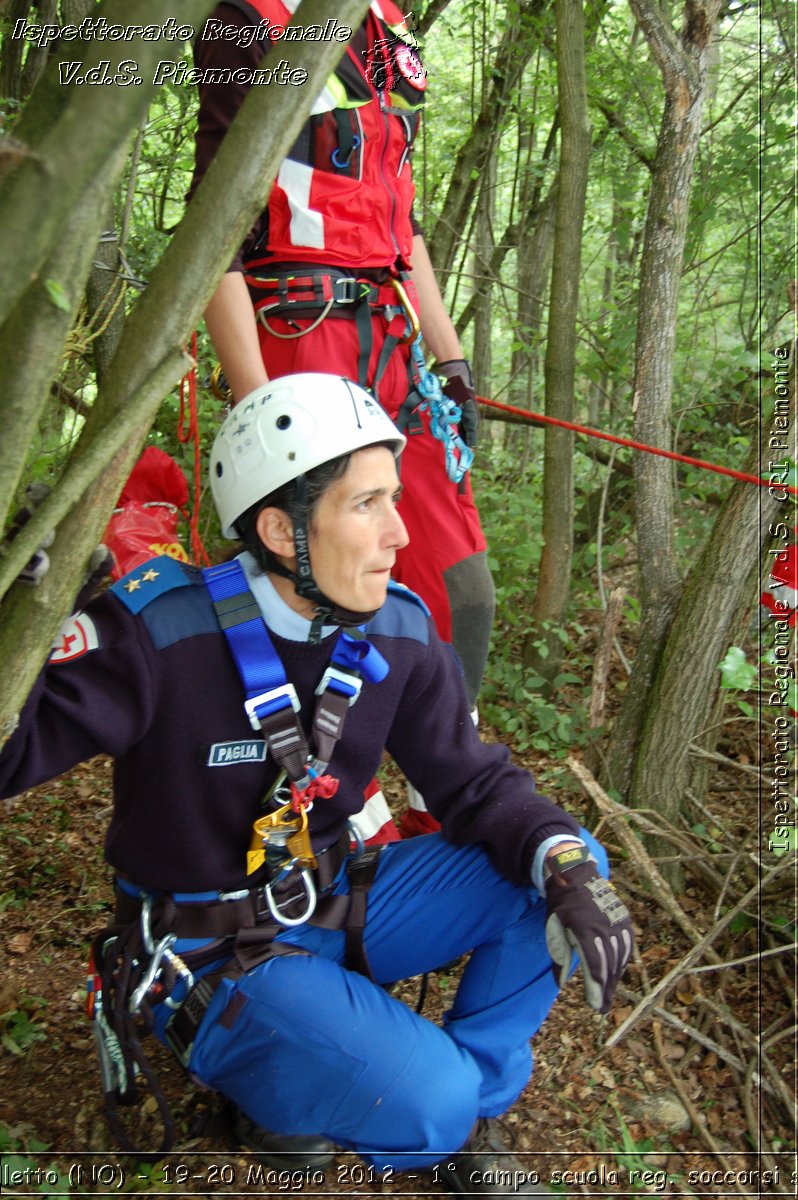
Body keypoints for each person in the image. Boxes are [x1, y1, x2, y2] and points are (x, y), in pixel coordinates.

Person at [0, 375, 634, 1195]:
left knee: (562, 862)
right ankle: (336, 1091)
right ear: (279, 527)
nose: (400, 532)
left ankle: (467, 1115)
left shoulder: (398, 627)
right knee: (424, 1099)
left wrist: (559, 859)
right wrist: (15, 618)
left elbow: (473, 785)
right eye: (366, 504)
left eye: (394, 500)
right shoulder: (160, 631)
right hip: (206, 949)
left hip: (329, 900)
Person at [190, 0, 496, 839]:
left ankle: (448, 794)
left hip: (395, 338)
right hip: (299, 331)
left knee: (462, 592)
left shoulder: (385, 26)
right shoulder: (244, 23)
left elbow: (403, 219)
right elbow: (214, 227)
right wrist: (259, 405)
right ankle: (336, 812)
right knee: (314, 591)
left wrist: (452, 357)